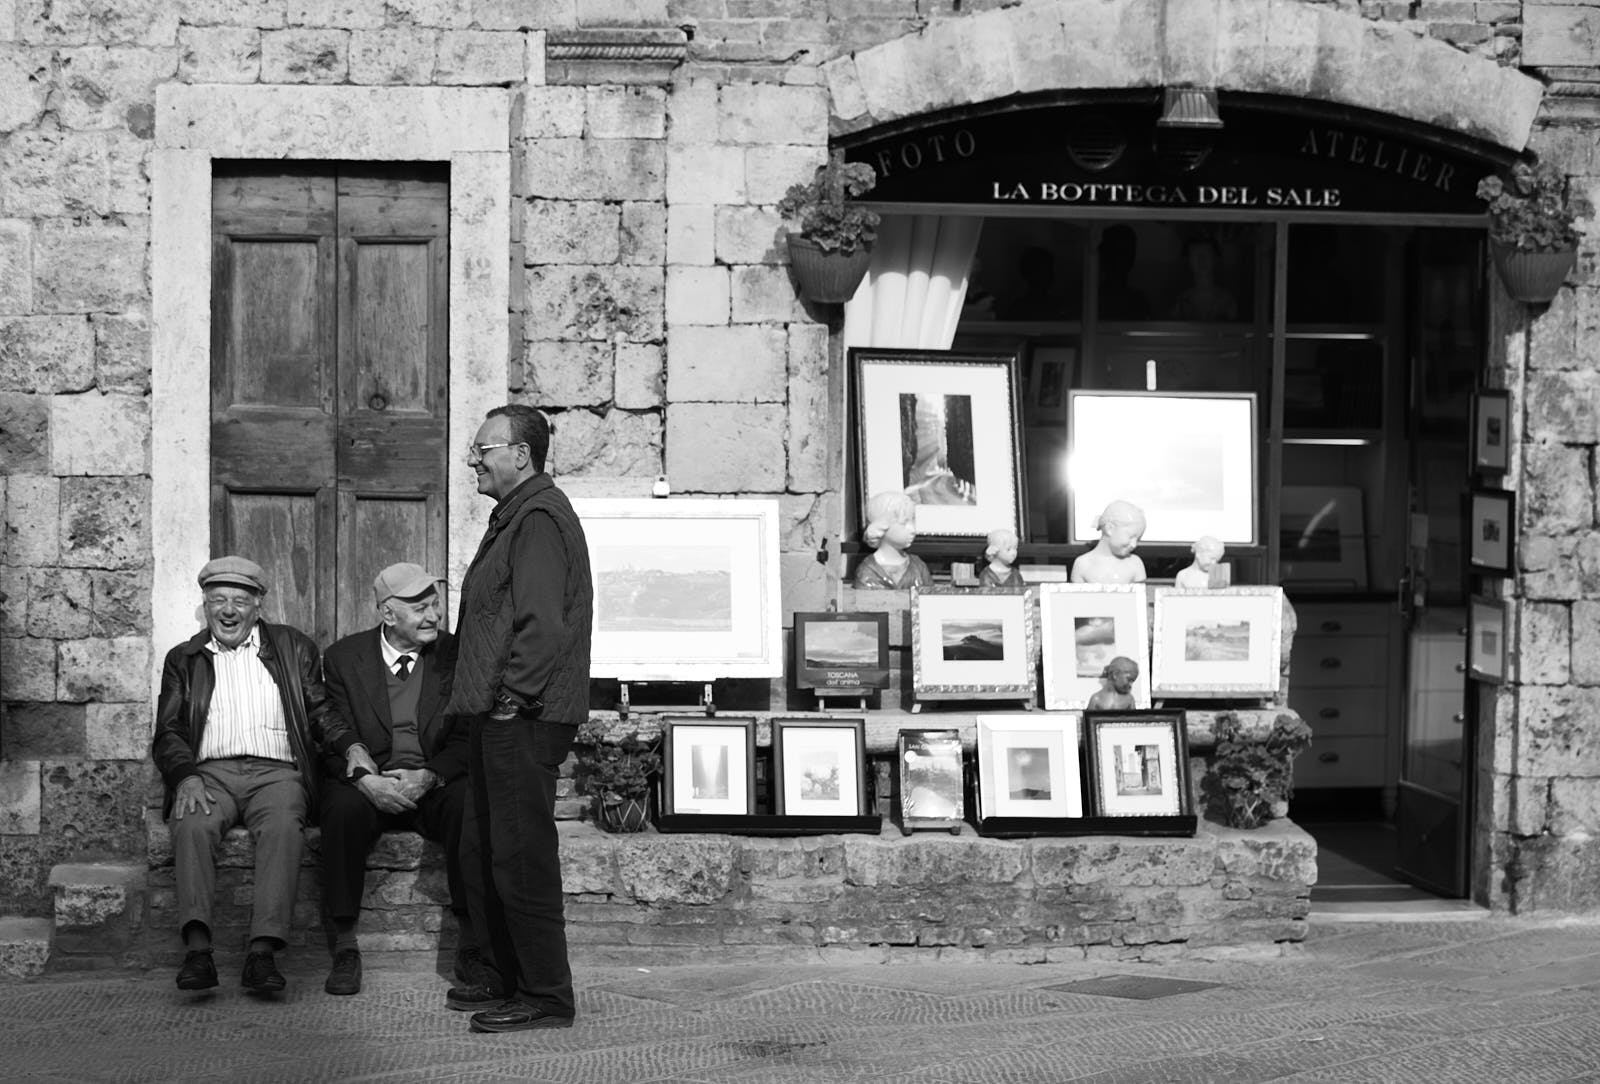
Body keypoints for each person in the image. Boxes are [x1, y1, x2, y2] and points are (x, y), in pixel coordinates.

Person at [447, 404, 593, 1035]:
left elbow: (543, 624)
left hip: (521, 718)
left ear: (520, 454)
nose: (473, 460)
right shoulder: (516, 516)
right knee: (492, 849)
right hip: (502, 715)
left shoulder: (536, 518)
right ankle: (508, 977)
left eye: (482, 449)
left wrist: (512, 698)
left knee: (522, 857)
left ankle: (546, 996)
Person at [151, 556, 329, 994]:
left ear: (258, 607)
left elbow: (321, 711)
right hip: (210, 773)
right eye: (217, 600)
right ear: (206, 605)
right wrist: (185, 776)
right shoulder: (185, 658)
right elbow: (169, 730)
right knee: (192, 821)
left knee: (286, 825)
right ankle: (197, 952)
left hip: (278, 772)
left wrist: (352, 748)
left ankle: (262, 954)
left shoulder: (293, 647)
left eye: (239, 601)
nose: (228, 610)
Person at [316, 562, 478, 997]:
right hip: (371, 781)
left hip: (432, 778)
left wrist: (429, 776)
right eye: (420, 608)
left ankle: (473, 940)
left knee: (470, 807)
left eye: (435, 604)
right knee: (340, 811)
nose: (434, 616)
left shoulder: (455, 655)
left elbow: (467, 736)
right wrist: (366, 780)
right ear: (388, 614)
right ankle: (346, 945)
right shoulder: (344, 659)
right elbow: (331, 731)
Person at [853, 490, 933, 590]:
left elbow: (928, 601)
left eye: (912, 521)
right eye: (904, 523)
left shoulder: (918, 567)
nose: (913, 529)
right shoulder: (867, 572)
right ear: (883, 525)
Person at [1070, 500, 1148, 584]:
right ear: (1109, 529)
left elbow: (1140, 596)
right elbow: (1077, 596)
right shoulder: (1082, 564)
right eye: (1131, 537)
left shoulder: (1135, 564)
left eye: (1138, 539)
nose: (1134, 544)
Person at [1170, 235, 1237, 321]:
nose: (1201, 259)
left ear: (1215, 258)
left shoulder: (1227, 300)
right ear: (1188, 260)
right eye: (1195, 253)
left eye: (1207, 253)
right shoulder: (1182, 301)